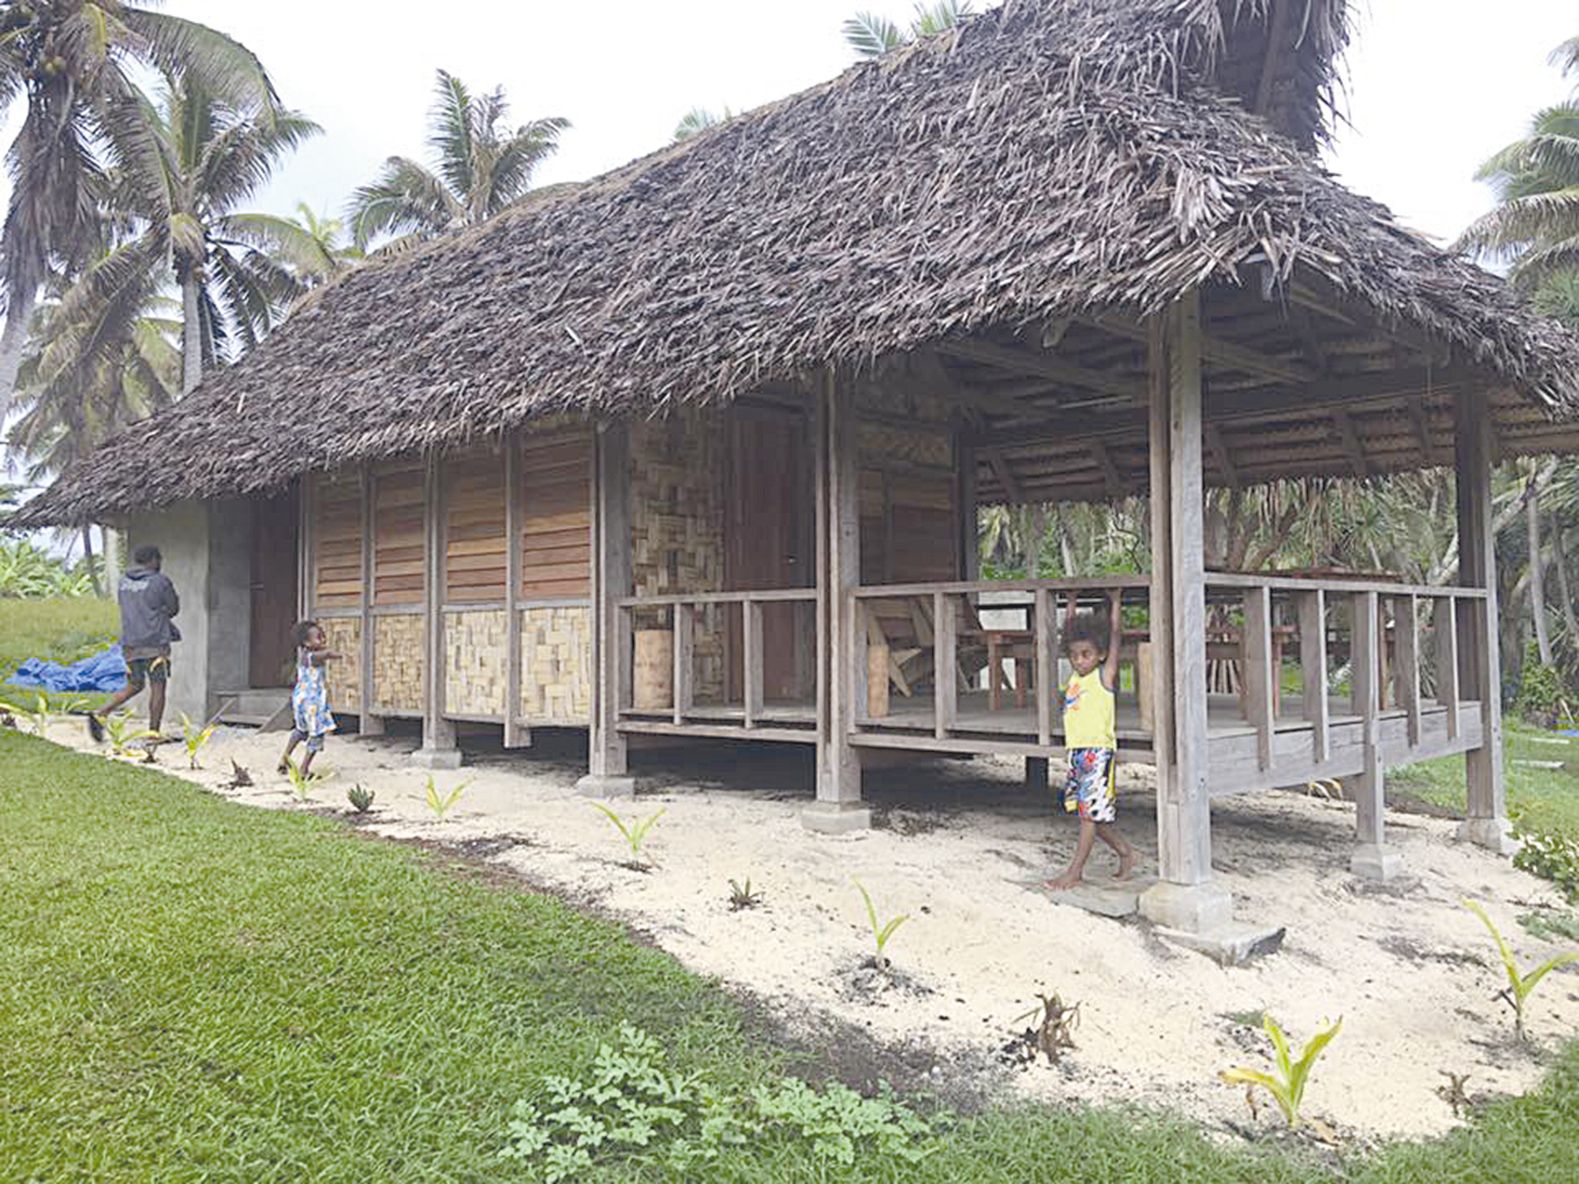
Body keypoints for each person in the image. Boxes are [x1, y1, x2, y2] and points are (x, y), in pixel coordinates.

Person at [1045, 589, 1136, 891]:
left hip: (1098, 754)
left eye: (1085, 655)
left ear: (1100, 654)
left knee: (1088, 816)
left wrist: (1116, 603)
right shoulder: (1074, 679)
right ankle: (1125, 851)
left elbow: (1115, 636)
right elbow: (1069, 628)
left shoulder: (1103, 676)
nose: (1079, 661)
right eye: (1073, 655)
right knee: (1091, 815)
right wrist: (1070, 603)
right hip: (1077, 753)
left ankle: (1075, 872)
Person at [88, 544, 180, 741]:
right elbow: (173, 609)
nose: (160, 563)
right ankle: (153, 733)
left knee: (135, 684)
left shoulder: (123, 583)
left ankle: (101, 712)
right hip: (154, 643)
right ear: (154, 560)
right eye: (159, 560)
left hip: (130, 644)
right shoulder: (160, 581)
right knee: (158, 685)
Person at [278, 619, 341, 777]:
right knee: (316, 734)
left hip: (300, 698)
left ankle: (284, 759)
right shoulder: (314, 656)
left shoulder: (304, 656)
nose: (323, 640)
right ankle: (304, 770)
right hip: (313, 701)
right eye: (319, 637)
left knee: (300, 730)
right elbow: (327, 654)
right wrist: (342, 653)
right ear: (306, 642)